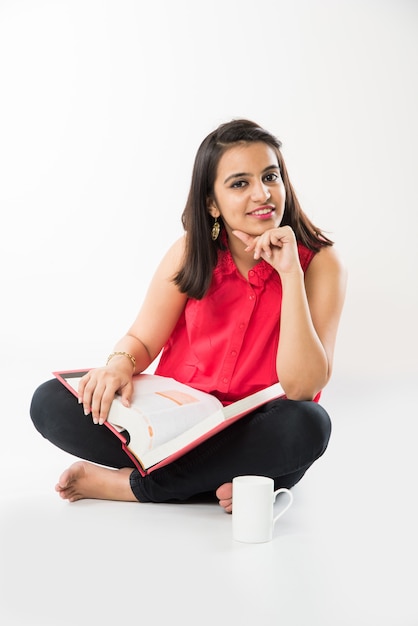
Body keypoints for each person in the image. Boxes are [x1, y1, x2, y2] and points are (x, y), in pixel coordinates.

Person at [30, 119, 347, 512]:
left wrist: (290, 274)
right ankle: (226, 481)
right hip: (172, 426)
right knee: (49, 402)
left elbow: (302, 388)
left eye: (271, 176)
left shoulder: (320, 263)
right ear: (211, 202)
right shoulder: (189, 252)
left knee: (308, 425)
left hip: (256, 430)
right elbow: (142, 341)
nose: (262, 193)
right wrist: (117, 366)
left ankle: (134, 486)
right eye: (239, 183)